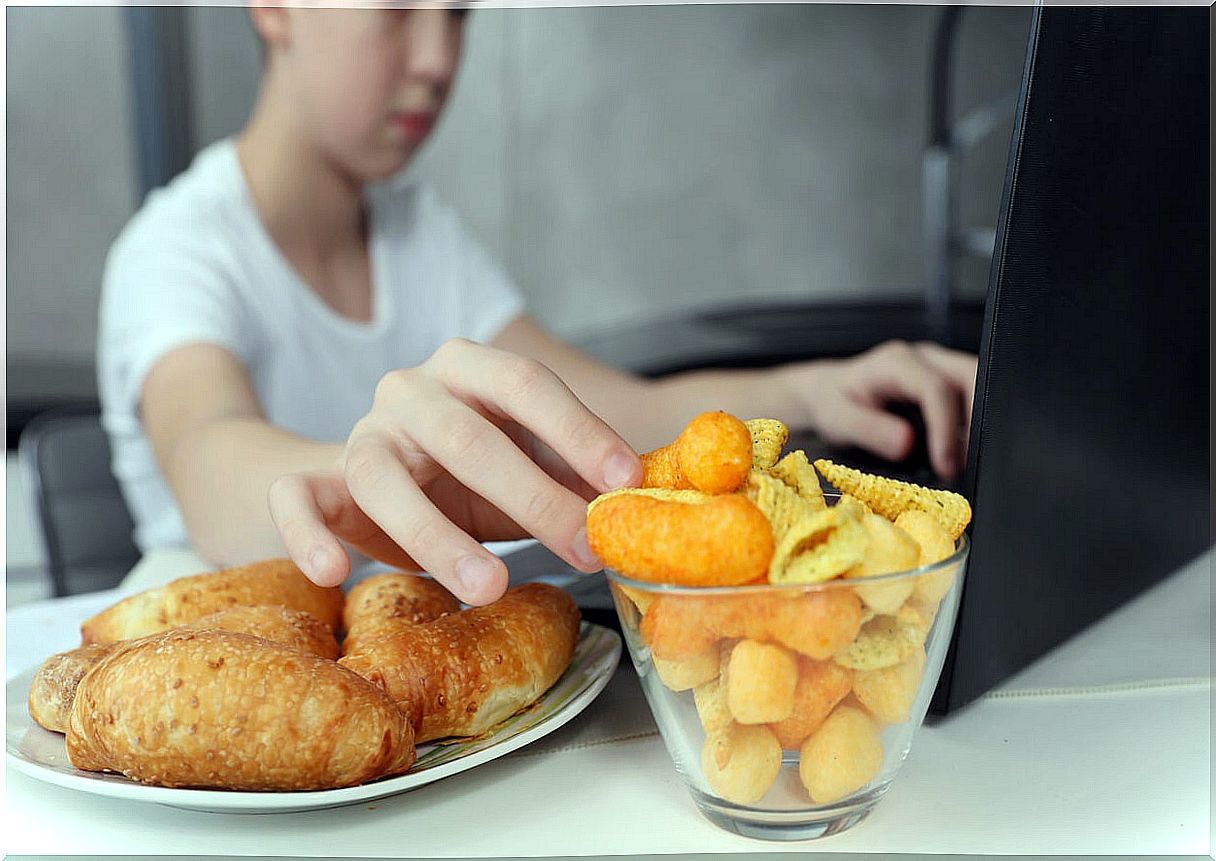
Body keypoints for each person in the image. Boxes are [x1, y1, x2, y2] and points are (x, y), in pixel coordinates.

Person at [98, 6, 977, 606]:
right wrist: (361, 473)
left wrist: (814, 389)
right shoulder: (174, 251)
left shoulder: (419, 234)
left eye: (459, 14)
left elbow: (604, 415)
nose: (440, 58)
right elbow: (205, 451)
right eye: (402, 7)